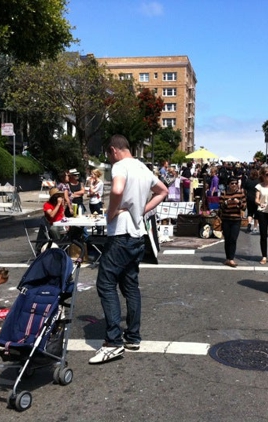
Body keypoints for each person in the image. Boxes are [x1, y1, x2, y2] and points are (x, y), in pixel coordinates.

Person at [89, 134, 168, 364]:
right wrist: (142, 210)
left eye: (108, 154)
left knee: (105, 283)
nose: (109, 158)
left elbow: (116, 190)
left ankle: (113, 341)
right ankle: (133, 335)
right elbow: (162, 191)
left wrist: (111, 212)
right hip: (137, 234)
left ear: (114, 150)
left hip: (121, 233)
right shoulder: (143, 168)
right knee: (130, 285)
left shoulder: (120, 166)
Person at [219, 176, 246, 268]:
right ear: (228, 185)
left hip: (236, 220)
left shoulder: (240, 194)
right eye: (232, 183)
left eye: (235, 183)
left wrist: (238, 202)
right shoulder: (224, 193)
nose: (234, 185)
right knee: (227, 239)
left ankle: (231, 259)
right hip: (226, 219)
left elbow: (244, 207)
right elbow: (221, 207)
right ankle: (227, 258)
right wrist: (226, 203)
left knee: (233, 239)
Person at [242, 168, 260, 233]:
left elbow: (244, 190)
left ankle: (249, 223)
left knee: (250, 212)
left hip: (249, 198)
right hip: (257, 198)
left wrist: (245, 195)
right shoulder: (258, 181)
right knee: (256, 213)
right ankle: (255, 227)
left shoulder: (247, 181)